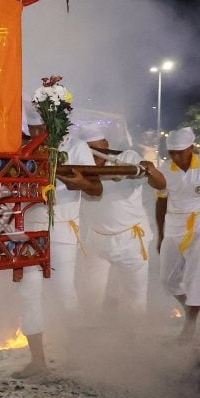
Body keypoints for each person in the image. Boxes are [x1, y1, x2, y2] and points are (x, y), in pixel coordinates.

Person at [13, 116, 103, 378]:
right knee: (28, 293)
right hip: (28, 228)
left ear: (53, 125)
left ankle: (77, 354)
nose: (36, 134)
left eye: (41, 129)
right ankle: (38, 361)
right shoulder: (23, 148)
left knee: (65, 292)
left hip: (63, 227)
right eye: (32, 130)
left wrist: (81, 183)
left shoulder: (76, 147)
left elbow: (95, 189)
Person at [73, 123, 163, 329]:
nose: (91, 157)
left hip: (131, 240)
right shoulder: (78, 165)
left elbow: (160, 184)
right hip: (95, 240)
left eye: (96, 151)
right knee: (90, 295)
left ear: (106, 144)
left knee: (135, 296)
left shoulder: (128, 158)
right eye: (86, 151)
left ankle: (133, 342)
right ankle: (91, 341)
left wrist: (151, 170)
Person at [155, 127, 200, 341]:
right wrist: (161, 234)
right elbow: (161, 202)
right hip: (174, 225)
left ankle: (191, 323)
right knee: (167, 279)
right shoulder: (165, 169)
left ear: (191, 148)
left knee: (197, 275)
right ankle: (190, 307)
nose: (175, 156)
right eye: (171, 152)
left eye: (180, 152)